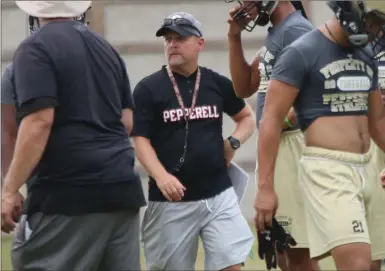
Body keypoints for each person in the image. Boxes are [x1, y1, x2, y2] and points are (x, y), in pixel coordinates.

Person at [1, 1, 146, 270]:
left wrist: (9, 190)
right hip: (122, 190)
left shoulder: (34, 49)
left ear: (33, 11)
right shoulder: (106, 48)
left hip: (66, 195)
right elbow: (127, 121)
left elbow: (39, 121)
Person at [255, 1, 385, 270]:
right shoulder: (301, 52)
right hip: (328, 170)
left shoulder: (365, 54)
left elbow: (377, 122)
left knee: (373, 265)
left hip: (369, 167)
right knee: (357, 264)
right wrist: (265, 189)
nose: (376, 29)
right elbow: (270, 122)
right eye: (372, 20)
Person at [132, 11, 255, 271]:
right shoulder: (148, 88)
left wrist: (232, 143)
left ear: (200, 43)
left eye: (180, 38)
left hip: (218, 195)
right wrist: (161, 176)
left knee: (232, 266)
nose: (172, 44)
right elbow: (140, 139)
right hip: (171, 202)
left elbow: (247, 118)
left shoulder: (216, 83)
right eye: (168, 39)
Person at [225, 1, 317, 270]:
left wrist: (273, 123)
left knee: (298, 255)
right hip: (277, 145)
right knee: (285, 254)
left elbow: (313, 98)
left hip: (292, 147)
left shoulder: (296, 30)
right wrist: (233, 36)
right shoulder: (278, 32)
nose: (245, 5)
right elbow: (244, 86)